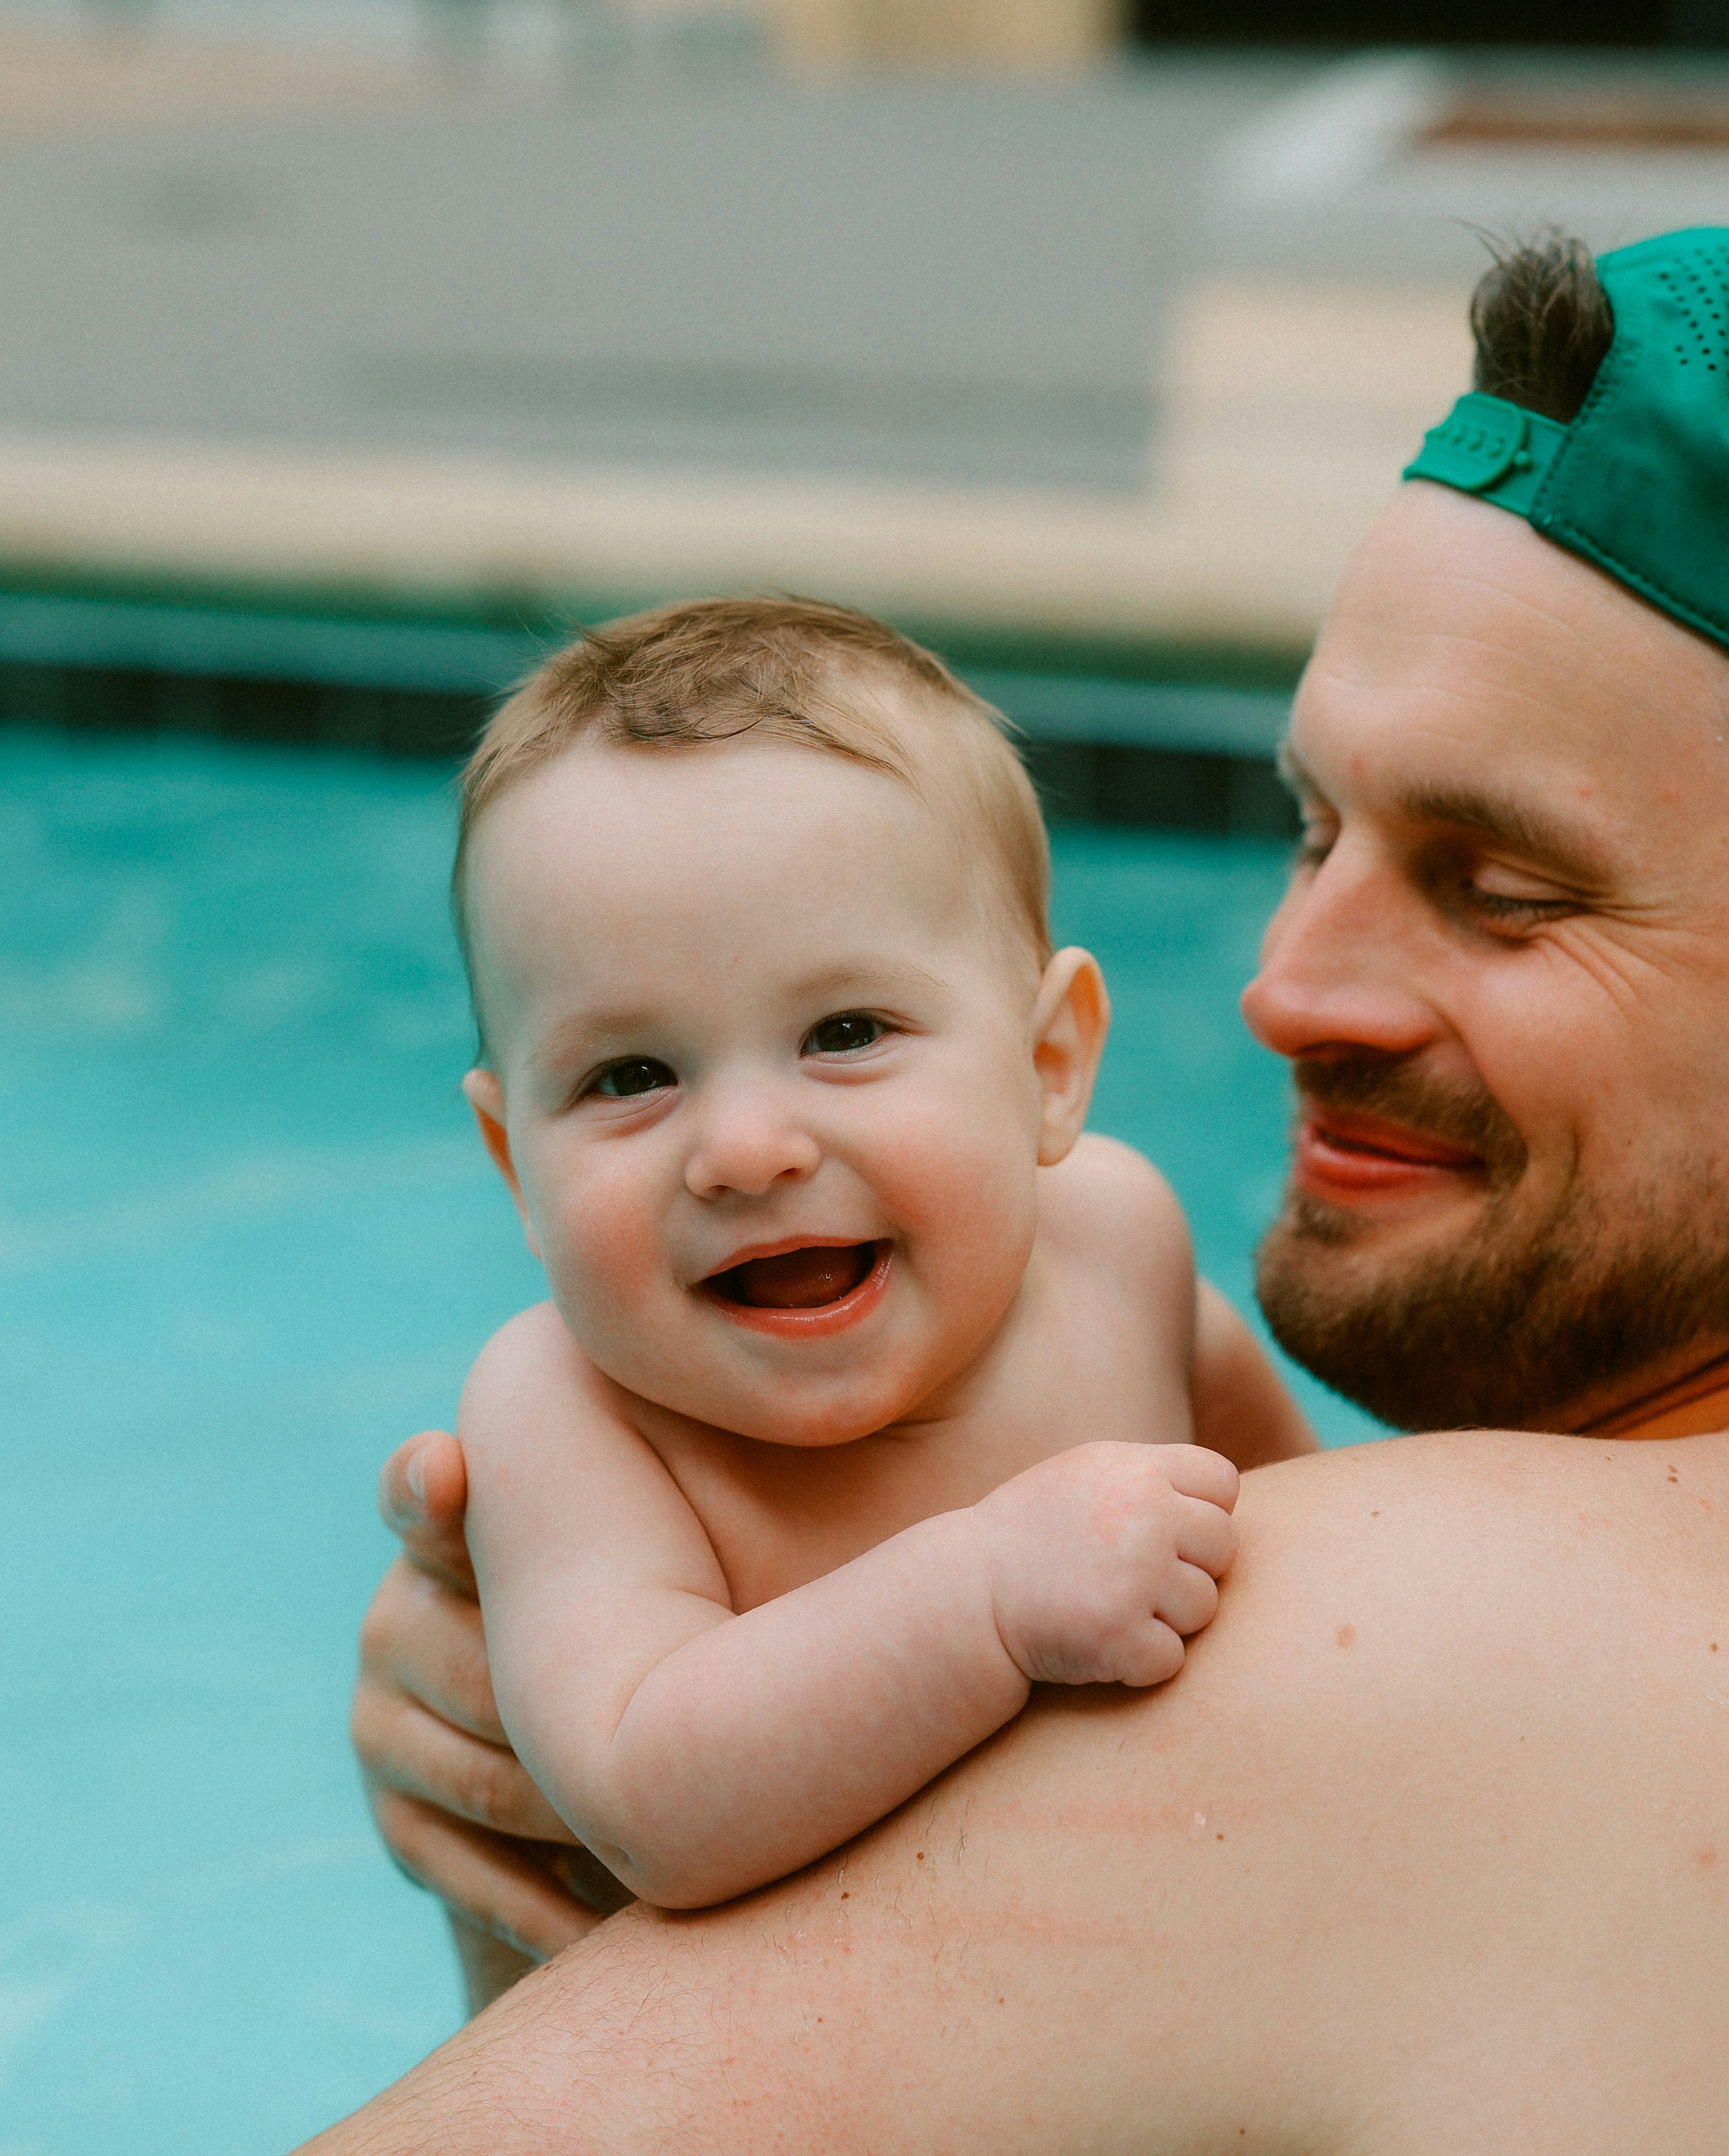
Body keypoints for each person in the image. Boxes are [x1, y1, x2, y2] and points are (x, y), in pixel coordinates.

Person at [313, 226, 1729, 2150]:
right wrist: (562, 1830)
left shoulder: (1417, 1670)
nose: (1286, 987)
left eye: (1502, 890)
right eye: (1313, 827)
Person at [440, 597, 1312, 1914]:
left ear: (1047, 1067)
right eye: (631, 1074)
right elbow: (644, 1802)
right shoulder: (568, 1415)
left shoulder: (1115, 1240)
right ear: (518, 1166)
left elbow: (1309, 1520)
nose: (743, 1149)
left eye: (845, 1031)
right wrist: (984, 1594)